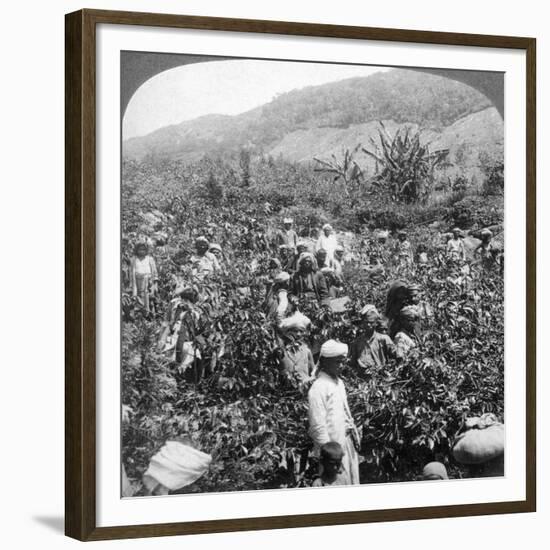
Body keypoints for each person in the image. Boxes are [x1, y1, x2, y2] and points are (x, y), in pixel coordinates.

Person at [308, 339, 360, 485]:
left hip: (346, 443)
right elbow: (317, 425)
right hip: (332, 452)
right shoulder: (318, 388)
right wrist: (330, 455)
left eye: (343, 362)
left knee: (350, 481)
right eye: (338, 362)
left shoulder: (339, 383)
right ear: (325, 362)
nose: (342, 366)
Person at [349, 306, 397, 374]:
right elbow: (353, 363)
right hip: (363, 380)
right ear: (362, 323)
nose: (368, 325)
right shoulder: (357, 342)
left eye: (371, 322)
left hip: (380, 378)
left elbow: (395, 357)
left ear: (376, 323)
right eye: (366, 322)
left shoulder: (384, 339)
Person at [278, 299, 314, 384]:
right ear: (288, 332)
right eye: (295, 330)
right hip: (287, 393)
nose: (298, 334)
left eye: (301, 331)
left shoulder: (307, 351)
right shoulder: (282, 352)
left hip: (305, 389)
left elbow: (313, 372)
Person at [130, 242, 158, 313]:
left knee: (150, 300)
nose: (142, 251)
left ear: (146, 250)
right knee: (139, 300)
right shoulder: (134, 259)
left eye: (143, 249)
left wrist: (155, 285)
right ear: (137, 250)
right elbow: (131, 273)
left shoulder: (150, 259)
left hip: (149, 282)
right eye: (140, 249)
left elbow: (155, 273)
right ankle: (142, 317)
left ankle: (151, 316)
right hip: (138, 282)